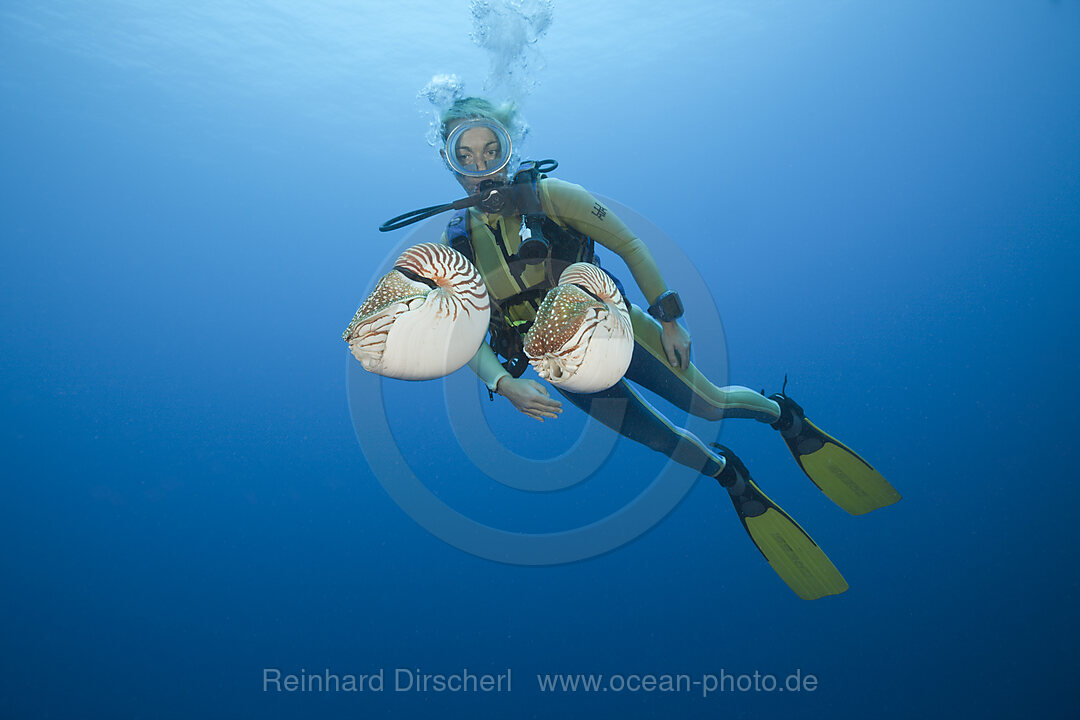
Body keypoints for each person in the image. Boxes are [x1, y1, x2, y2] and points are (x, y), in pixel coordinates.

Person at [429, 97, 899, 599]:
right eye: (467, 156)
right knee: (661, 439)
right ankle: (729, 475)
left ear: (508, 149)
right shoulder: (454, 247)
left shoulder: (550, 196)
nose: (481, 167)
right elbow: (465, 333)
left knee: (709, 403)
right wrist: (503, 383)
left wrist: (668, 317)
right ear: (450, 164)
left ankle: (782, 414)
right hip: (561, 366)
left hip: (617, 330)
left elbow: (628, 243)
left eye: (491, 150)